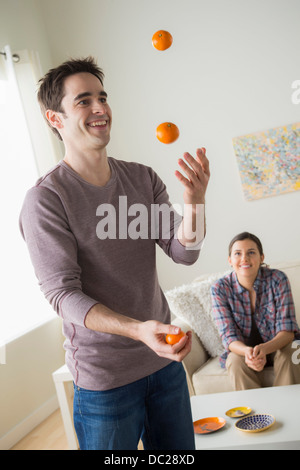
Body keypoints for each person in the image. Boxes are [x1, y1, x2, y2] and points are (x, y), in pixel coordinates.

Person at [19, 57, 210, 450]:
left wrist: (195, 202)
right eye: (83, 101)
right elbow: (62, 295)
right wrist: (138, 330)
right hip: (105, 380)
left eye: (102, 98)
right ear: (55, 119)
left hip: (165, 364)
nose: (100, 108)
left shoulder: (142, 178)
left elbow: (184, 252)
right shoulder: (46, 199)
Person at [211, 232, 300, 391]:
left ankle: (285, 408)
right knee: (234, 361)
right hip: (244, 352)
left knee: (293, 351)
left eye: (251, 252)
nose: (244, 258)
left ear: (262, 257)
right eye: (238, 254)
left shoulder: (278, 279)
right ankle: (255, 413)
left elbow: (287, 331)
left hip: (278, 346)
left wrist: (264, 350)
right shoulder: (220, 289)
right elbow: (228, 336)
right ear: (230, 260)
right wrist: (249, 353)